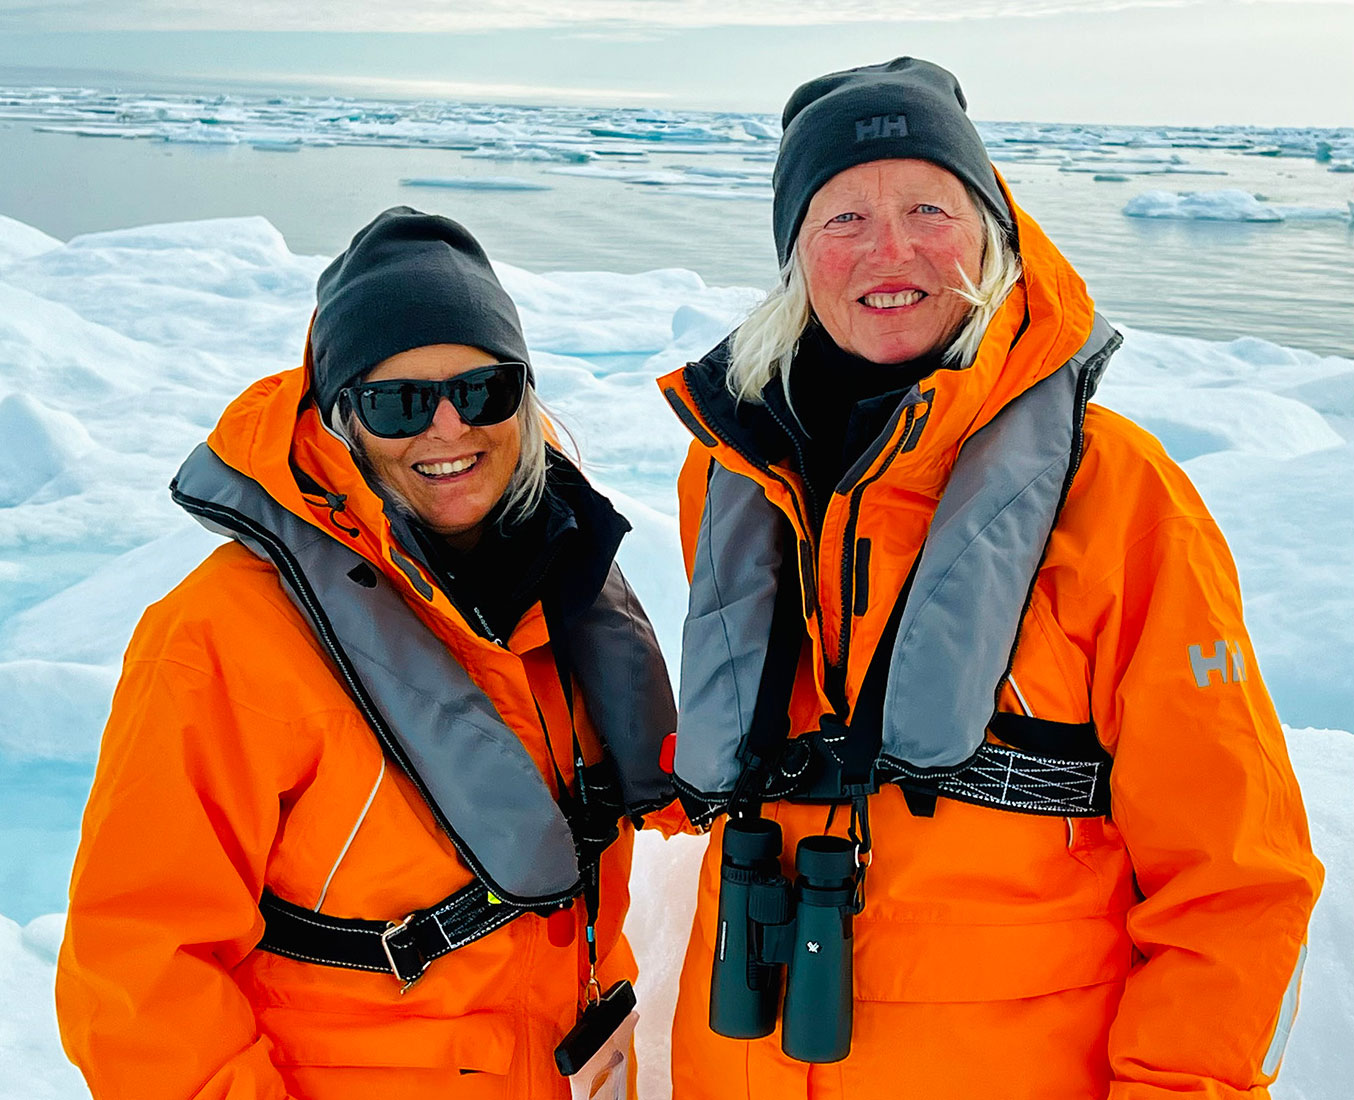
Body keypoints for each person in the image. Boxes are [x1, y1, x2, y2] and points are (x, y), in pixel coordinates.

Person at [658, 58, 1322, 1098]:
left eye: (929, 205)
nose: (892, 250)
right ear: (795, 256)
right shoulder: (733, 473)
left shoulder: (1115, 492)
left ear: (991, 235)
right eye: (842, 217)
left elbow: (1233, 874)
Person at [56, 207, 676, 1100]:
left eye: (486, 388)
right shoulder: (219, 637)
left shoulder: (560, 599)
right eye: (399, 401)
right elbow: (138, 964)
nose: (450, 427)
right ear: (341, 416)